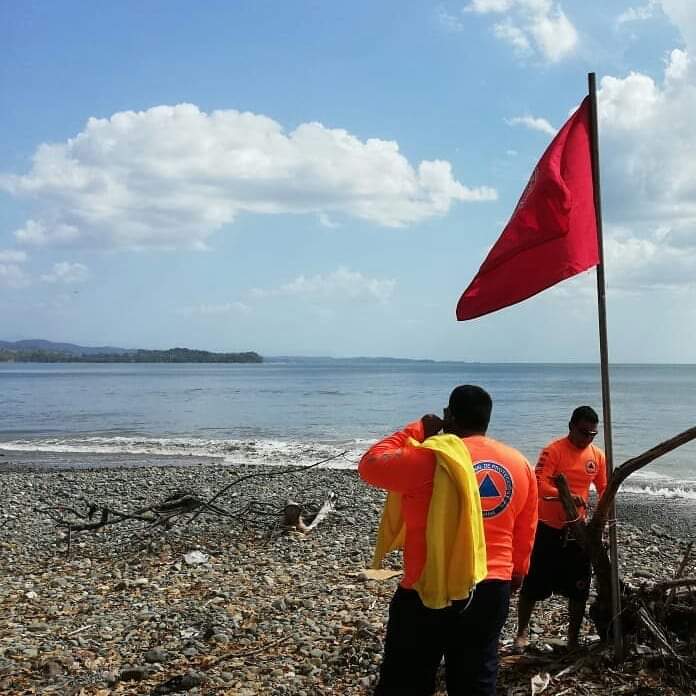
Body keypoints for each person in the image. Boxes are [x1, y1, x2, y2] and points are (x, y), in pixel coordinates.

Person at [359, 385, 538, 696]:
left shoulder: (429, 459)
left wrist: (417, 429)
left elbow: (370, 464)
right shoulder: (518, 463)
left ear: (448, 416)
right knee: (476, 681)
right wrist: (518, 571)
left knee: (406, 681)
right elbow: (526, 527)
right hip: (491, 584)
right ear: (487, 420)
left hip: (429, 587)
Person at [514, 405, 607, 652]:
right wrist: (564, 495)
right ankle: (522, 632)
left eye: (592, 434)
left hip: (577, 532)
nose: (587, 438)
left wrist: (603, 516)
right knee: (533, 584)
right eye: (583, 432)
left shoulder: (596, 456)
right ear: (571, 427)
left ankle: (573, 639)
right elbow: (538, 482)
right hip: (549, 528)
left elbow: (605, 487)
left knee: (579, 588)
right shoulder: (554, 450)